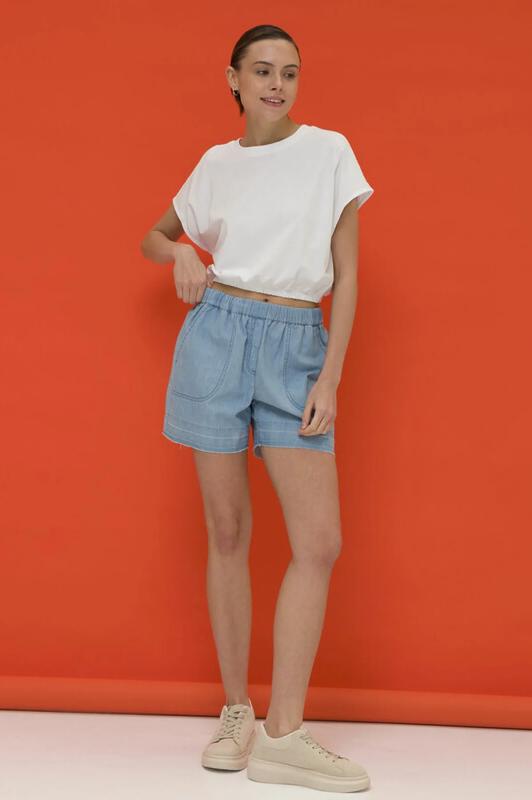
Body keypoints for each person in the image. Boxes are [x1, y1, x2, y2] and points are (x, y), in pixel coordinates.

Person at [141, 23, 374, 794]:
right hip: (216, 336)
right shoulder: (216, 164)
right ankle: (237, 708)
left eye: (291, 73)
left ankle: (284, 733)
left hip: (296, 345)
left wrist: (330, 377)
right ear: (234, 79)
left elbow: (347, 273)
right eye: (264, 71)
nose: (278, 84)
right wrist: (181, 250)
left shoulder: (329, 151)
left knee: (319, 542)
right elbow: (153, 237)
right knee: (228, 531)